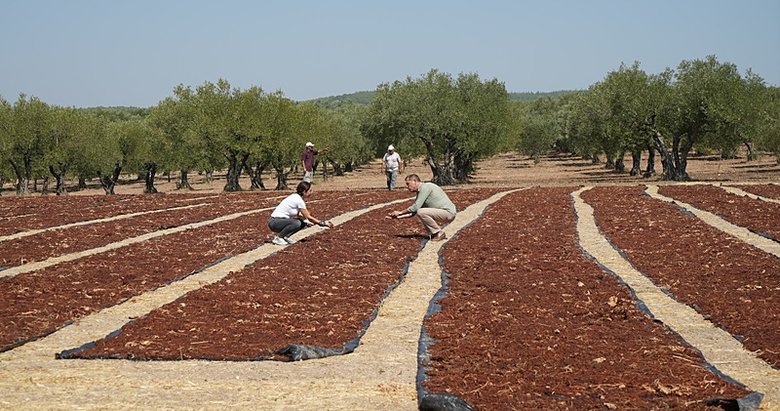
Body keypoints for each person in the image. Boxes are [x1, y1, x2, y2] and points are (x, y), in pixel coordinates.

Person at [386, 174, 456, 241]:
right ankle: (434, 234)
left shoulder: (425, 187)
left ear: (415, 181)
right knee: (421, 212)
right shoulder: (421, 192)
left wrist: (400, 212)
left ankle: (438, 233)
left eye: (408, 184)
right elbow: (413, 212)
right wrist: (398, 217)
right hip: (444, 213)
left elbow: (416, 207)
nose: (407, 187)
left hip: (448, 213)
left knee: (421, 212)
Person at [268, 181, 334, 245]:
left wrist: (307, 222)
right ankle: (279, 238)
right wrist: (322, 223)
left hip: (278, 221)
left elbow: (300, 215)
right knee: (296, 223)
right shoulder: (298, 200)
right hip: (274, 222)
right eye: (310, 191)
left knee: (302, 222)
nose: (312, 192)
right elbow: (308, 216)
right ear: (304, 192)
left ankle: (285, 237)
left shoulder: (296, 197)